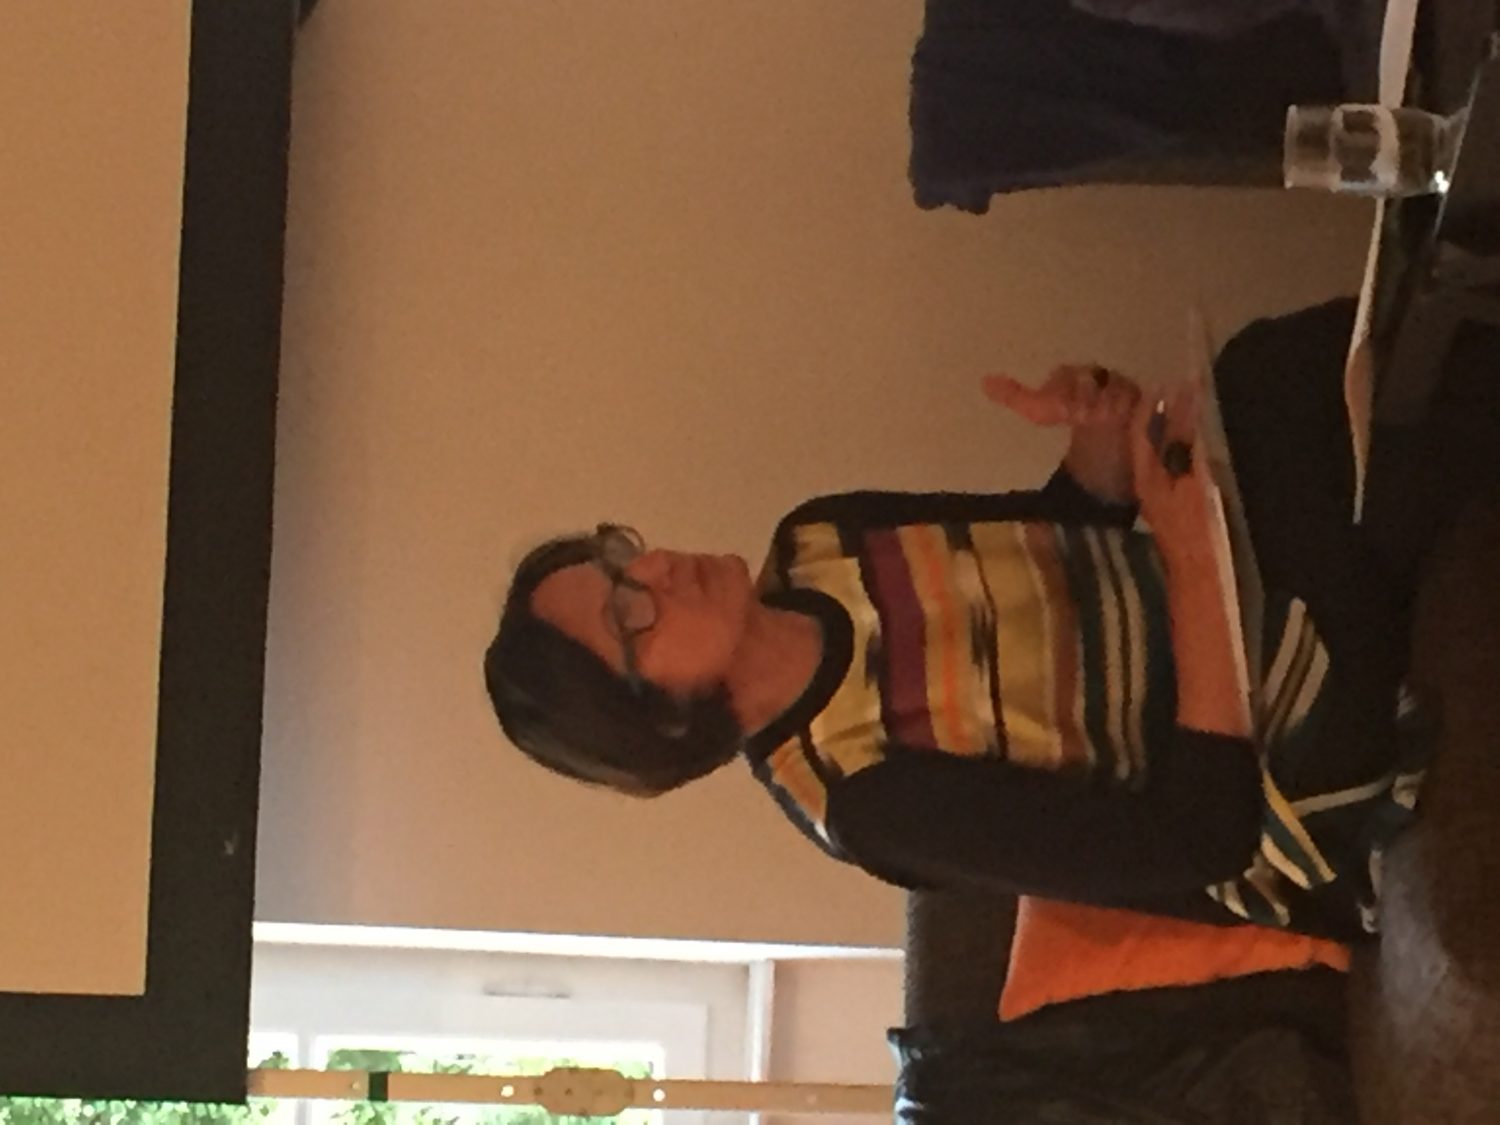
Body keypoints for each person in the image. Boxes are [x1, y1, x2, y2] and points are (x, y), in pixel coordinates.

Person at [483, 298, 1424, 942]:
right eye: (629, 611)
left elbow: (1061, 531)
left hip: (1245, 590)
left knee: (1265, 366)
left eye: (620, 557)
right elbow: (1200, 837)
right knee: (1335, 485)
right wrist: (1190, 561)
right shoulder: (862, 797)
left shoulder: (818, 536)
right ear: (661, 719)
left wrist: (1097, 435)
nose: (654, 567)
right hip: (1281, 762)